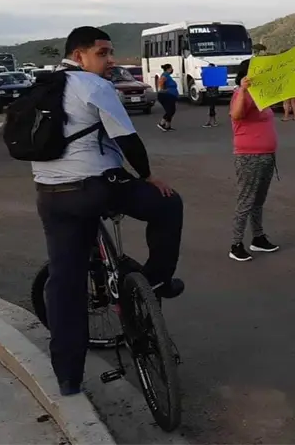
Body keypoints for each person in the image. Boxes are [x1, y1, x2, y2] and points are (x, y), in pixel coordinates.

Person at [33, 26, 184, 397]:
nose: (111, 59)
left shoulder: (40, 87)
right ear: (79, 55)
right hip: (94, 187)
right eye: (103, 53)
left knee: (66, 285)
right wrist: (148, 176)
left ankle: (68, 377)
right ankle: (156, 282)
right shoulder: (93, 86)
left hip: (50, 194)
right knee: (168, 204)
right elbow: (127, 139)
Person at [228, 59, 280, 261]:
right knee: (246, 200)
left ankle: (258, 238)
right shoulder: (240, 95)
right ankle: (236, 243)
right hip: (249, 155)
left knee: (258, 201)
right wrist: (243, 89)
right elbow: (237, 114)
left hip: (267, 155)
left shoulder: (261, 95)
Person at [156, 63, 179, 132]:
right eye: (171, 68)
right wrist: (163, 89)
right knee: (169, 111)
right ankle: (161, 123)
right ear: (169, 69)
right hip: (166, 95)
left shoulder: (168, 76)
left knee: (172, 110)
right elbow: (161, 82)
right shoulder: (165, 75)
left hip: (171, 95)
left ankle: (168, 126)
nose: (172, 69)